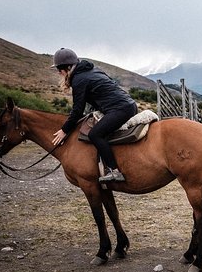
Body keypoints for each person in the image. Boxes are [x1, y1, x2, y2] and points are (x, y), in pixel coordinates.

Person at [50, 48, 138, 183]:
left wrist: (64, 130)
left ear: (67, 68)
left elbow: (77, 110)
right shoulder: (92, 70)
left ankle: (114, 171)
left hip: (119, 109)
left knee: (95, 134)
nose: (59, 73)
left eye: (59, 69)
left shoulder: (78, 79)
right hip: (127, 105)